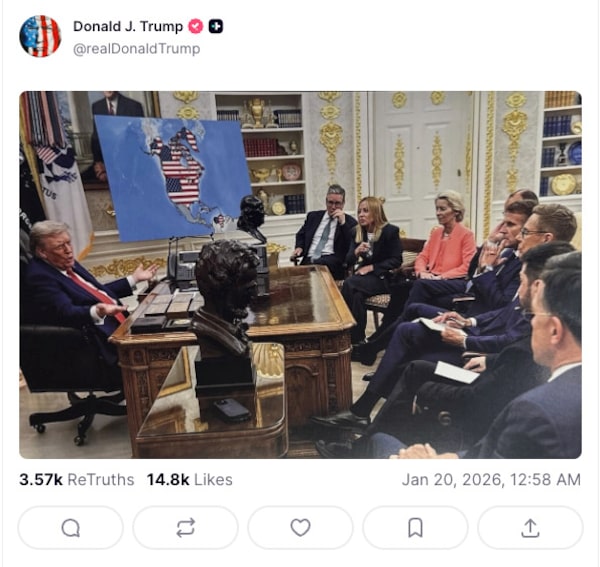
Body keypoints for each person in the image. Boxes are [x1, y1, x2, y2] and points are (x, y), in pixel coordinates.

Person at [314, 241, 575, 458]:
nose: (520, 289)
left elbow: (486, 393)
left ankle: (366, 441)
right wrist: (483, 347)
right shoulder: (539, 317)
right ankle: (367, 426)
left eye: (522, 282)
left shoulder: (535, 397)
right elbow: (505, 323)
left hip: (478, 371)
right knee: (413, 358)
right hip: (484, 354)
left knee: (411, 376)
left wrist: (430, 388)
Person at [23, 220, 158, 365]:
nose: (69, 250)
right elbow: (66, 311)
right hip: (102, 342)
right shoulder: (40, 276)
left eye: (69, 243)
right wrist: (96, 312)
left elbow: (95, 292)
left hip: (122, 324)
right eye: (60, 246)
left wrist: (134, 279)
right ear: (42, 252)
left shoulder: (67, 263)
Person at [376, 190, 476, 331]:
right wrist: (422, 272)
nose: (438, 213)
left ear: (456, 211)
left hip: (452, 281)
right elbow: (422, 257)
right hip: (430, 279)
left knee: (419, 286)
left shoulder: (466, 235)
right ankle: (384, 329)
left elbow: (467, 266)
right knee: (401, 288)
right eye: (437, 209)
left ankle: (395, 329)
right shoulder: (436, 233)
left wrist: (440, 277)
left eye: (442, 209)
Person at [340, 197, 403, 344]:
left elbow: (396, 260)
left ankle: (344, 331)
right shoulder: (356, 232)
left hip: (385, 278)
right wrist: (356, 252)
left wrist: (372, 267)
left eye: (365, 211)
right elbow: (347, 261)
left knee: (349, 284)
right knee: (357, 296)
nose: (361, 215)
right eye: (359, 211)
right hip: (365, 280)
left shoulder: (390, 231)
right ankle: (358, 341)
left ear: (375, 213)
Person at [191, 240, 260, 358]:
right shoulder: (211, 334)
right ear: (219, 289)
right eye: (246, 285)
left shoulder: (231, 323)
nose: (255, 293)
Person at [290, 184, 357, 280]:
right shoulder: (313, 217)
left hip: (332, 262)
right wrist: (299, 247)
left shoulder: (350, 222)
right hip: (309, 259)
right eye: (330, 202)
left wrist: (343, 223)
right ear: (326, 201)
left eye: (337, 203)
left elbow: (350, 245)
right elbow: (301, 234)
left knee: (314, 266)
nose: (333, 207)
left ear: (343, 204)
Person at [87, 91, 145, 182]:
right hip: (105, 164)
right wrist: (99, 165)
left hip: (129, 166)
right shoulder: (97, 107)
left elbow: (139, 142)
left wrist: (111, 169)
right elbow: (96, 138)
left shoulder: (134, 106)